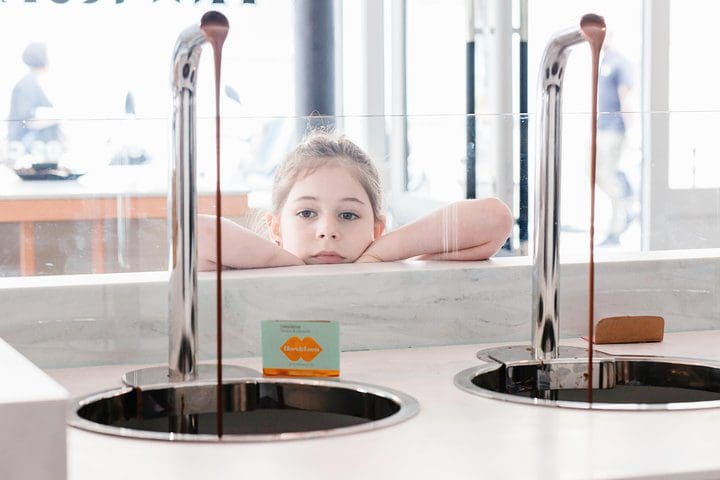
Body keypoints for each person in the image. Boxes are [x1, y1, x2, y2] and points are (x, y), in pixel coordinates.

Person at [198, 131, 513, 270]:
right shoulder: (253, 268)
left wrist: (380, 253)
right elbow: (196, 233)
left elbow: (495, 218)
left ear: (376, 229)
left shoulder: (385, 266)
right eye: (307, 213)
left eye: (348, 215)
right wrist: (288, 264)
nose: (327, 230)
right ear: (275, 227)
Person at [597, 39, 635, 245]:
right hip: (602, 128)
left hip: (614, 129)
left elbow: (625, 96)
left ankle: (618, 224)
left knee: (608, 175)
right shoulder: (604, 61)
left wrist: (631, 129)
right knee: (597, 174)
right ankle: (626, 205)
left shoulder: (621, 63)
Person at [7, 42, 63, 157]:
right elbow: (28, 120)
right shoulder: (27, 85)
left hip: (39, 152)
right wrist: (58, 117)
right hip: (28, 153)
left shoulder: (34, 82)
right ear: (42, 57)